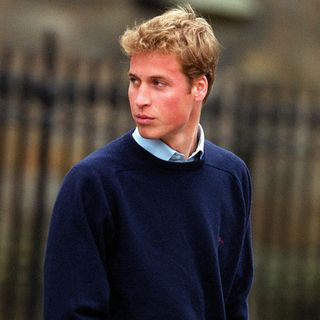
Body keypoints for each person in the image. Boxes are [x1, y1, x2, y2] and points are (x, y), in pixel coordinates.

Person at [44, 4, 253, 320]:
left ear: (199, 87)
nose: (140, 98)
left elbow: (234, 302)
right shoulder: (93, 182)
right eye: (134, 80)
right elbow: (70, 312)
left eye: (158, 83)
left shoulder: (230, 176)